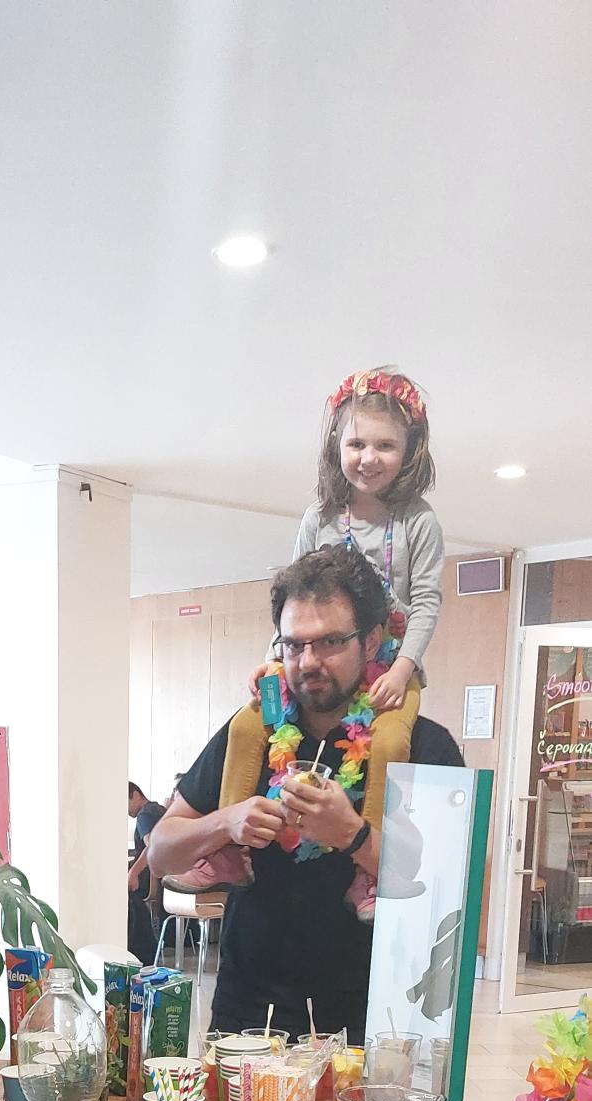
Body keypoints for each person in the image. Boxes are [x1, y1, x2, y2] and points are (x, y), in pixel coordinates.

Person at [147, 543, 463, 1044]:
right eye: (293, 645)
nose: (309, 661)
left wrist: (354, 836)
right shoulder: (249, 734)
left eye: (330, 642)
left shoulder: (423, 746)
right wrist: (224, 823)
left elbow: (448, 896)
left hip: (373, 1021)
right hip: (247, 1014)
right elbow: (160, 852)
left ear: (372, 640)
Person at [241, 368, 443, 920]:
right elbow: (294, 598)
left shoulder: (418, 520)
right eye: (356, 444)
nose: (368, 458)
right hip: (321, 665)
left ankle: (369, 874)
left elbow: (427, 601)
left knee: (389, 742)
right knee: (246, 725)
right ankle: (229, 852)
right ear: (336, 444)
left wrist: (402, 669)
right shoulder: (321, 517)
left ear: (410, 450)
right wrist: (273, 659)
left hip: (390, 669)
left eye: (385, 445)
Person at [127, 780, 166, 958]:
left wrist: (133, 872)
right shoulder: (159, 810)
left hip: (147, 878)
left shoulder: (145, 814)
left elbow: (152, 845)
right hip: (162, 876)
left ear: (135, 795)